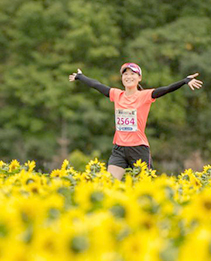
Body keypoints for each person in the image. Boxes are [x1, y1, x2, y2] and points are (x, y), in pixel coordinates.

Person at [69, 63, 203, 180]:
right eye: (125, 74)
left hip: (138, 149)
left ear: (139, 78)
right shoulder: (117, 95)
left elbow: (166, 89)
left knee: (146, 187)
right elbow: (96, 85)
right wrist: (80, 77)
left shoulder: (144, 96)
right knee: (108, 183)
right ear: (122, 78)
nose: (128, 77)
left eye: (133, 74)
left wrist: (184, 81)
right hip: (119, 150)